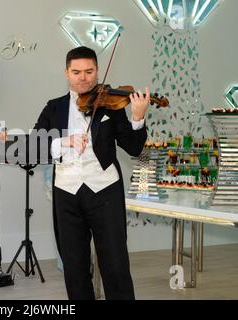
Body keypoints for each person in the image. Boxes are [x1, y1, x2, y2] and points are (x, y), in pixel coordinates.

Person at [33, 46, 150, 300]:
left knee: (115, 265)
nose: (83, 77)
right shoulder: (53, 108)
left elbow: (133, 147)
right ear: (66, 73)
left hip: (105, 191)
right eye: (76, 72)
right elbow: (34, 146)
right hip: (66, 194)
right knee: (74, 268)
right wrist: (63, 141)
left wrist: (138, 118)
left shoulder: (112, 105)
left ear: (97, 71)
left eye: (89, 71)